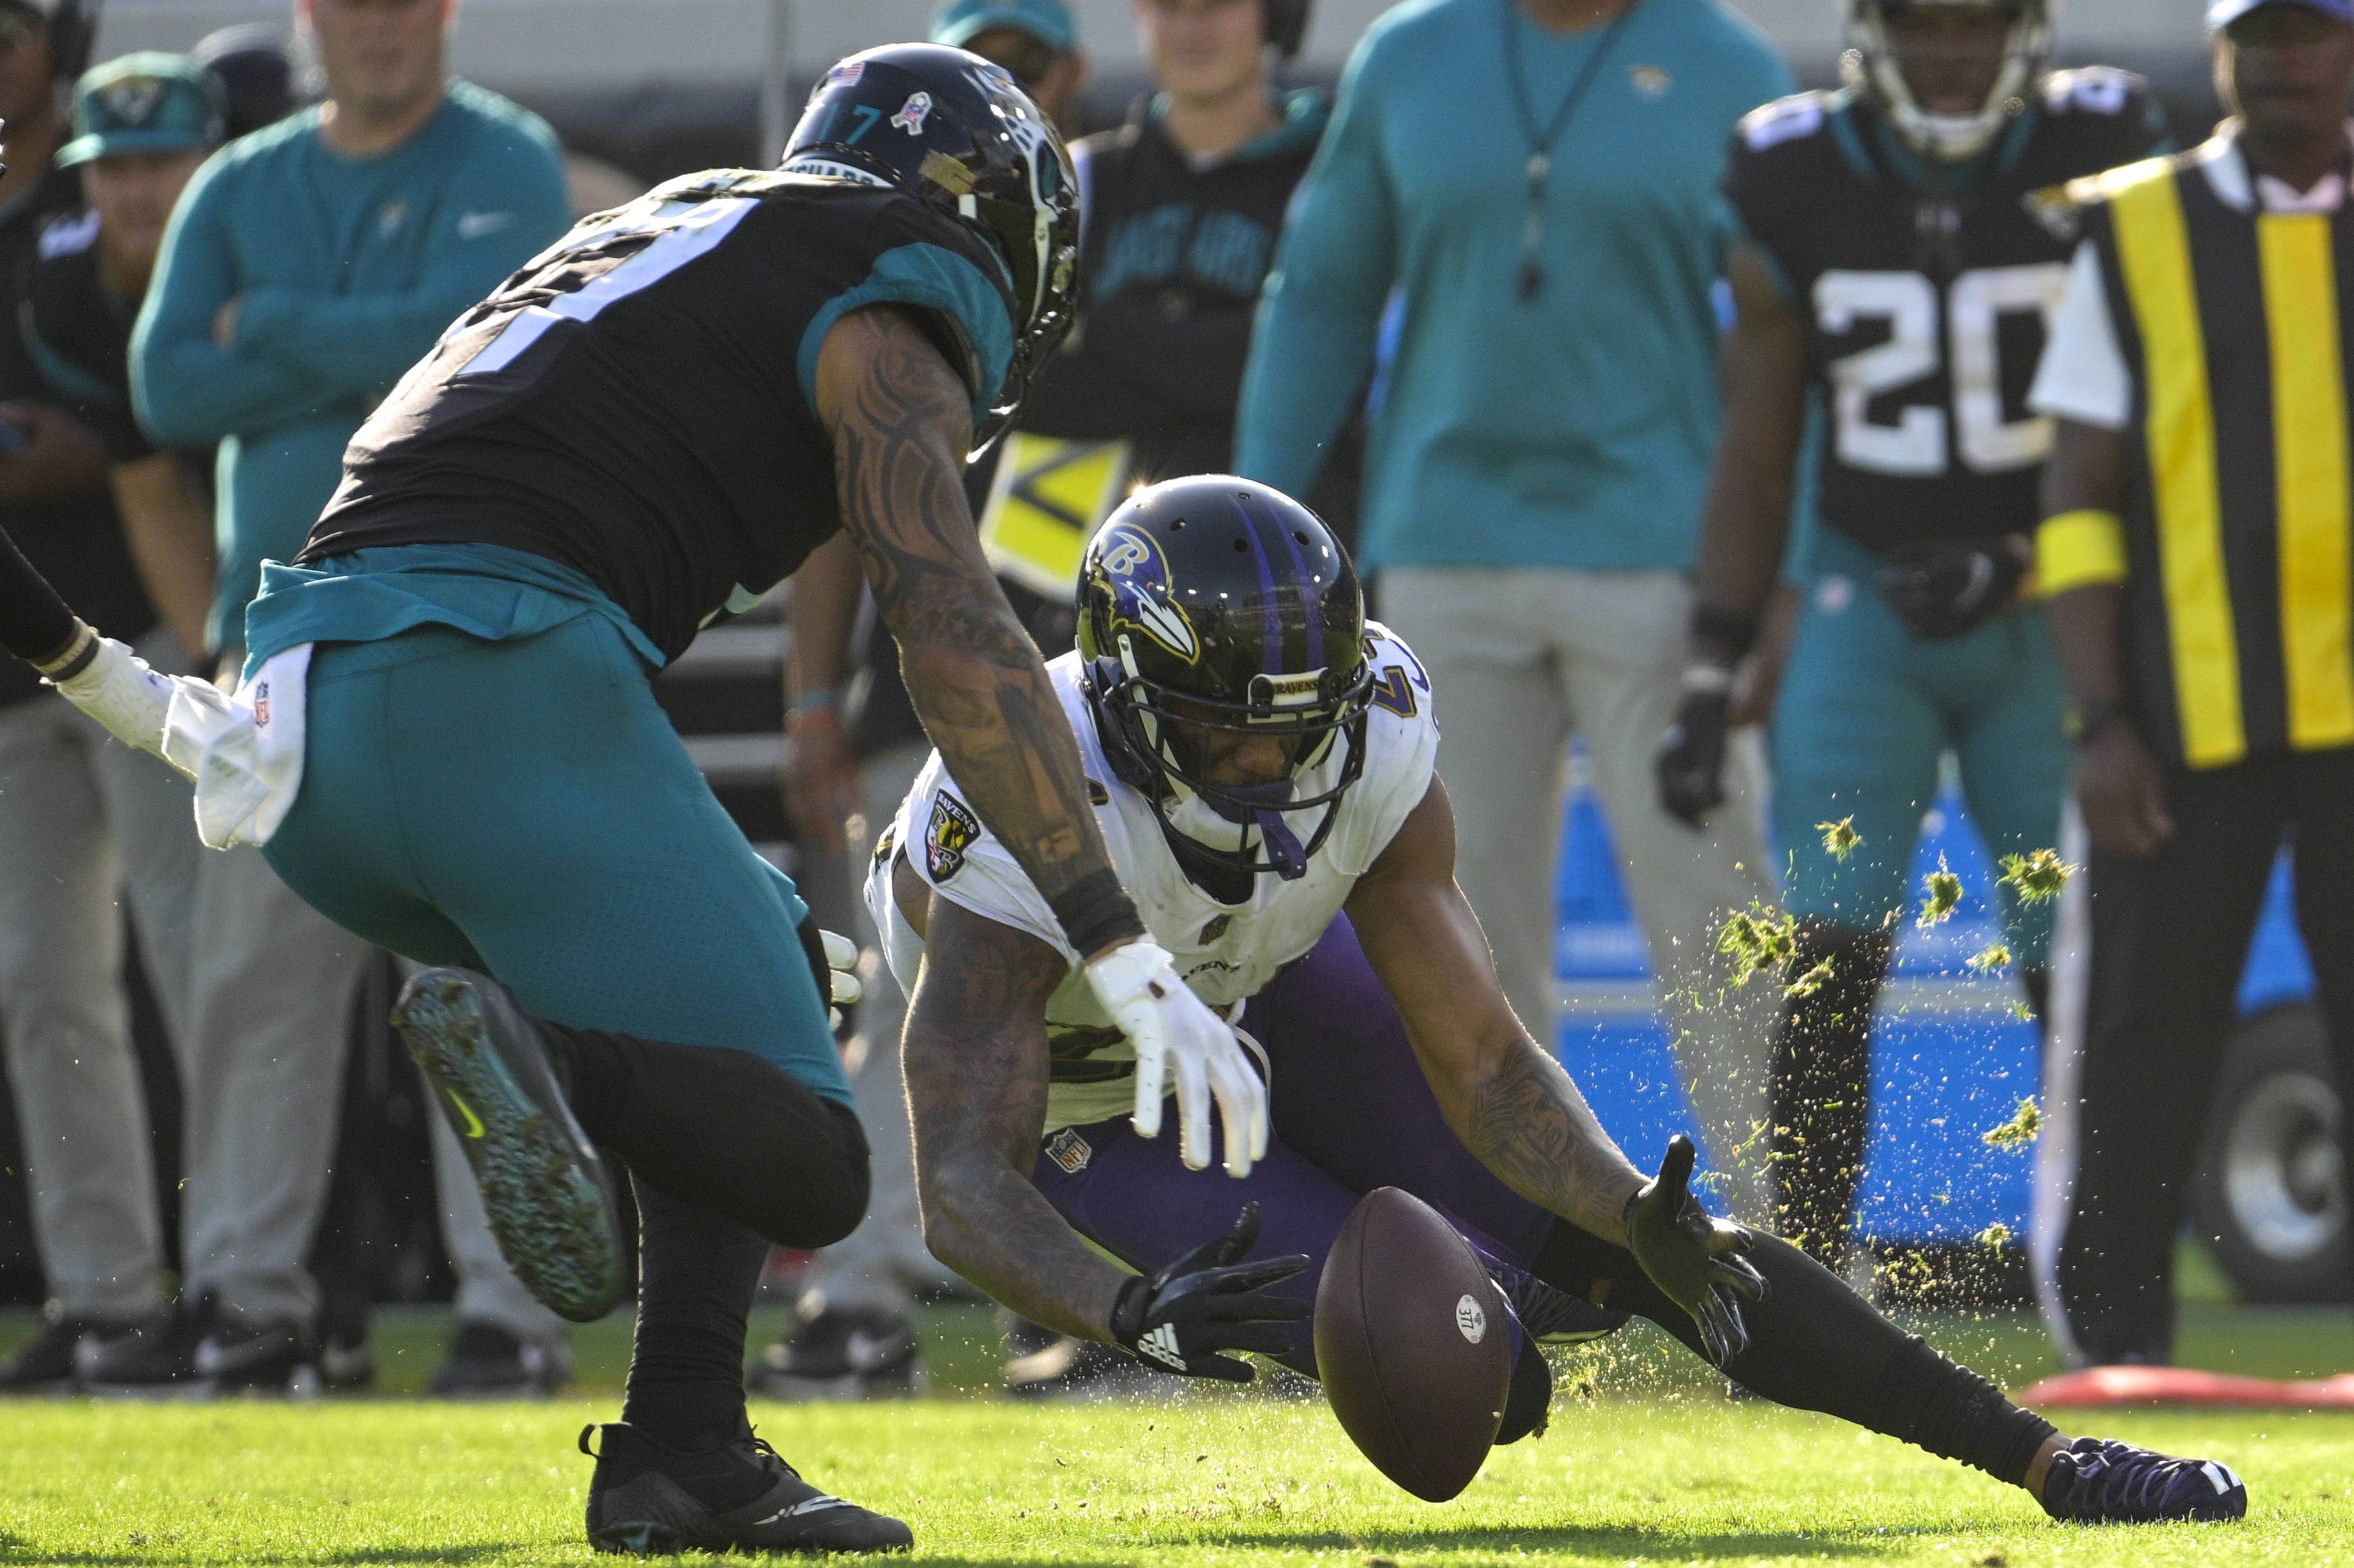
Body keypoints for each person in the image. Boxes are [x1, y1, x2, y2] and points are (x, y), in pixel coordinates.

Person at [0, 43, 1270, 1554]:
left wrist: (97, 676)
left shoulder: (669, 223)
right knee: (808, 1147)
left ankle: (683, 1451)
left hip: (307, 730)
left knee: (771, 974)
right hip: (488, 681)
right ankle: (552, 1067)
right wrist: (1116, 947)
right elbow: (950, 621)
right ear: (1004, 234)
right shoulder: (883, 271)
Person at [876, 472, 2248, 1526]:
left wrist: (1612, 1206)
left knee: (1664, 1258)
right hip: (1101, 1096)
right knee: (1462, 1367)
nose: (1276, 766)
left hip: (1277, 989)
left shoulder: (1375, 730)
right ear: (1127, 710)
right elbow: (958, 1182)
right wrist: (1126, 1315)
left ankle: (2049, 1460)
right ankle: (1504, 1307)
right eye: (1234, 733)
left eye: (1302, 726)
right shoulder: (1013, 806)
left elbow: (1477, 1058)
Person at [1235, 0, 1796, 1224]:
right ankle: (1517, 1242)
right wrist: (1256, 521)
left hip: (1665, 560)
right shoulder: (1408, 55)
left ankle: (1785, 1243)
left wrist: (1779, 574)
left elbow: (1786, 336)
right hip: (1443, 549)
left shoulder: (1727, 65)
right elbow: (1321, 292)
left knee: (1721, 912)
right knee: (1451, 927)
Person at [97, 0, 573, 1395]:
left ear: (446, 13)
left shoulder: (509, 159)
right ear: (309, 18)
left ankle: (511, 1312)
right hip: (275, 651)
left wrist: (285, 326)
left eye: (402, 1)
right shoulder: (245, 178)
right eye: (348, 2)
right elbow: (170, 387)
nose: (375, 25)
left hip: (454, 630)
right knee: (254, 990)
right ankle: (251, 1304)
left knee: (475, 983)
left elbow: (509, 352)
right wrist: (393, 337)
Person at [1658, 1, 2169, 1270]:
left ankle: (2102, 1280)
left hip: (2047, 608)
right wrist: (1711, 657)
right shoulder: (1793, 170)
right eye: (1925, 25)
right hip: (1860, 603)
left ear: (2028, 33)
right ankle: (1811, 1286)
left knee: (2072, 965)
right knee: (1827, 961)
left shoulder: (2099, 149)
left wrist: (2023, 557)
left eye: (1977, 26)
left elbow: (2163, 420)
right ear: (1868, 32)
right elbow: (1758, 433)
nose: (1952, 54)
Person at [749, 0, 1097, 1409]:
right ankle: (864, 1289)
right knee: (898, 985)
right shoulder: (876, 261)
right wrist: (806, 699)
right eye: (970, 63)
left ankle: (1116, 1301)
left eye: (1016, 68)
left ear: (1066, 78)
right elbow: (844, 506)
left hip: (1108, 682)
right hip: (935, 683)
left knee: (1136, 993)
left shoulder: (1099, 223)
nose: (988, 97)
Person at [2032, 0, 2354, 1368]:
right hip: (2179, 719)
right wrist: (2098, 719)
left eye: (2313, 29)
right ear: (2221, 52)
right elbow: (2076, 487)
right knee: (2140, 1047)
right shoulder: (2132, 222)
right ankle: (2120, 1362)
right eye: (2259, 32)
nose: (2286, 56)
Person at [0, 12, 212, 1394]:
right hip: (15, 680)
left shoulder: (94, 221)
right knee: (43, 987)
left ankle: (267, 1284)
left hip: (138, 645)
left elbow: (147, 425)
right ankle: (107, 1295)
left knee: (211, 977)